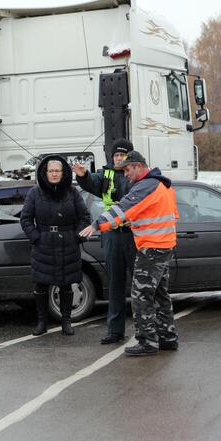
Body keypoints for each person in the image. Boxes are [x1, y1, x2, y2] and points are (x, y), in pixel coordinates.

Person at [79, 151, 178, 356]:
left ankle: (147, 342)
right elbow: (170, 215)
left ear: (138, 166)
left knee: (141, 295)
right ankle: (167, 337)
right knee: (160, 294)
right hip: (164, 245)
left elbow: (123, 208)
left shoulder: (145, 186)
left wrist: (97, 224)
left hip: (151, 248)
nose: (125, 175)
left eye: (127, 169)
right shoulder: (163, 185)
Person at [72, 139, 136, 344]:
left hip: (134, 234)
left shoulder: (135, 174)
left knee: (140, 284)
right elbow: (92, 181)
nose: (118, 158)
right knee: (115, 284)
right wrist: (82, 175)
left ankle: (146, 329)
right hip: (112, 235)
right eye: (116, 155)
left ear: (129, 157)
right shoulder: (106, 174)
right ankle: (115, 331)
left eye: (122, 155)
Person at [20, 154, 91, 335]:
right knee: (41, 286)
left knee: (66, 285)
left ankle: (66, 322)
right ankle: (42, 322)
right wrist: (36, 237)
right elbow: (26, 218)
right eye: (50, 171)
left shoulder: (72, 192)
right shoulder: (35, 192)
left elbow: (84, 217)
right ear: (45, 172)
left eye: (57, 171)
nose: (53, 174)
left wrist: (77, 237)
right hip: (43, 244)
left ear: (63, 172)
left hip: (68, 244)